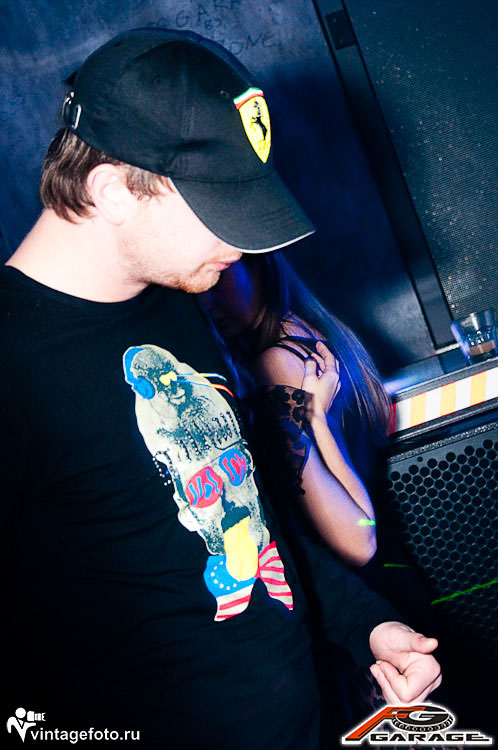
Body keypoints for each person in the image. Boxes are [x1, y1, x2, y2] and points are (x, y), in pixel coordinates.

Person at [1, 27, 441, 749]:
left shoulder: (178, 302)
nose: (241, 245)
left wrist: (366, 624)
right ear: (112, 190)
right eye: (217, 208)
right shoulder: (13, 362)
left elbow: (254, 518)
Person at [201, 252, 392, 568]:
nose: (207, 301)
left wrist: (316, 419)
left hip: (365, 586)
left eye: (219, 280)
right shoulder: (319, 334)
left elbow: (359, 542)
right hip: (397, 568)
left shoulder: (274, 365)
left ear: (260, 265)